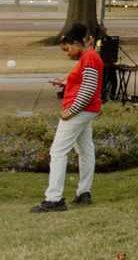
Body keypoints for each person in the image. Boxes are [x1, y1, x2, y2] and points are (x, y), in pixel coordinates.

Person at [31, 23, 103, 213]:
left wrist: (71, 110)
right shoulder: (90, 56)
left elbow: (88, 88)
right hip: (87, 109)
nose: (67, 53)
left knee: (58, 151)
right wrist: (67, 81)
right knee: (85, 151)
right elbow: (85, 82)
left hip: (79, 110)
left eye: (67, 48)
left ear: (77, 43)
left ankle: (54, 198)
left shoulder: (89, 57)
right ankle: (83, 193)